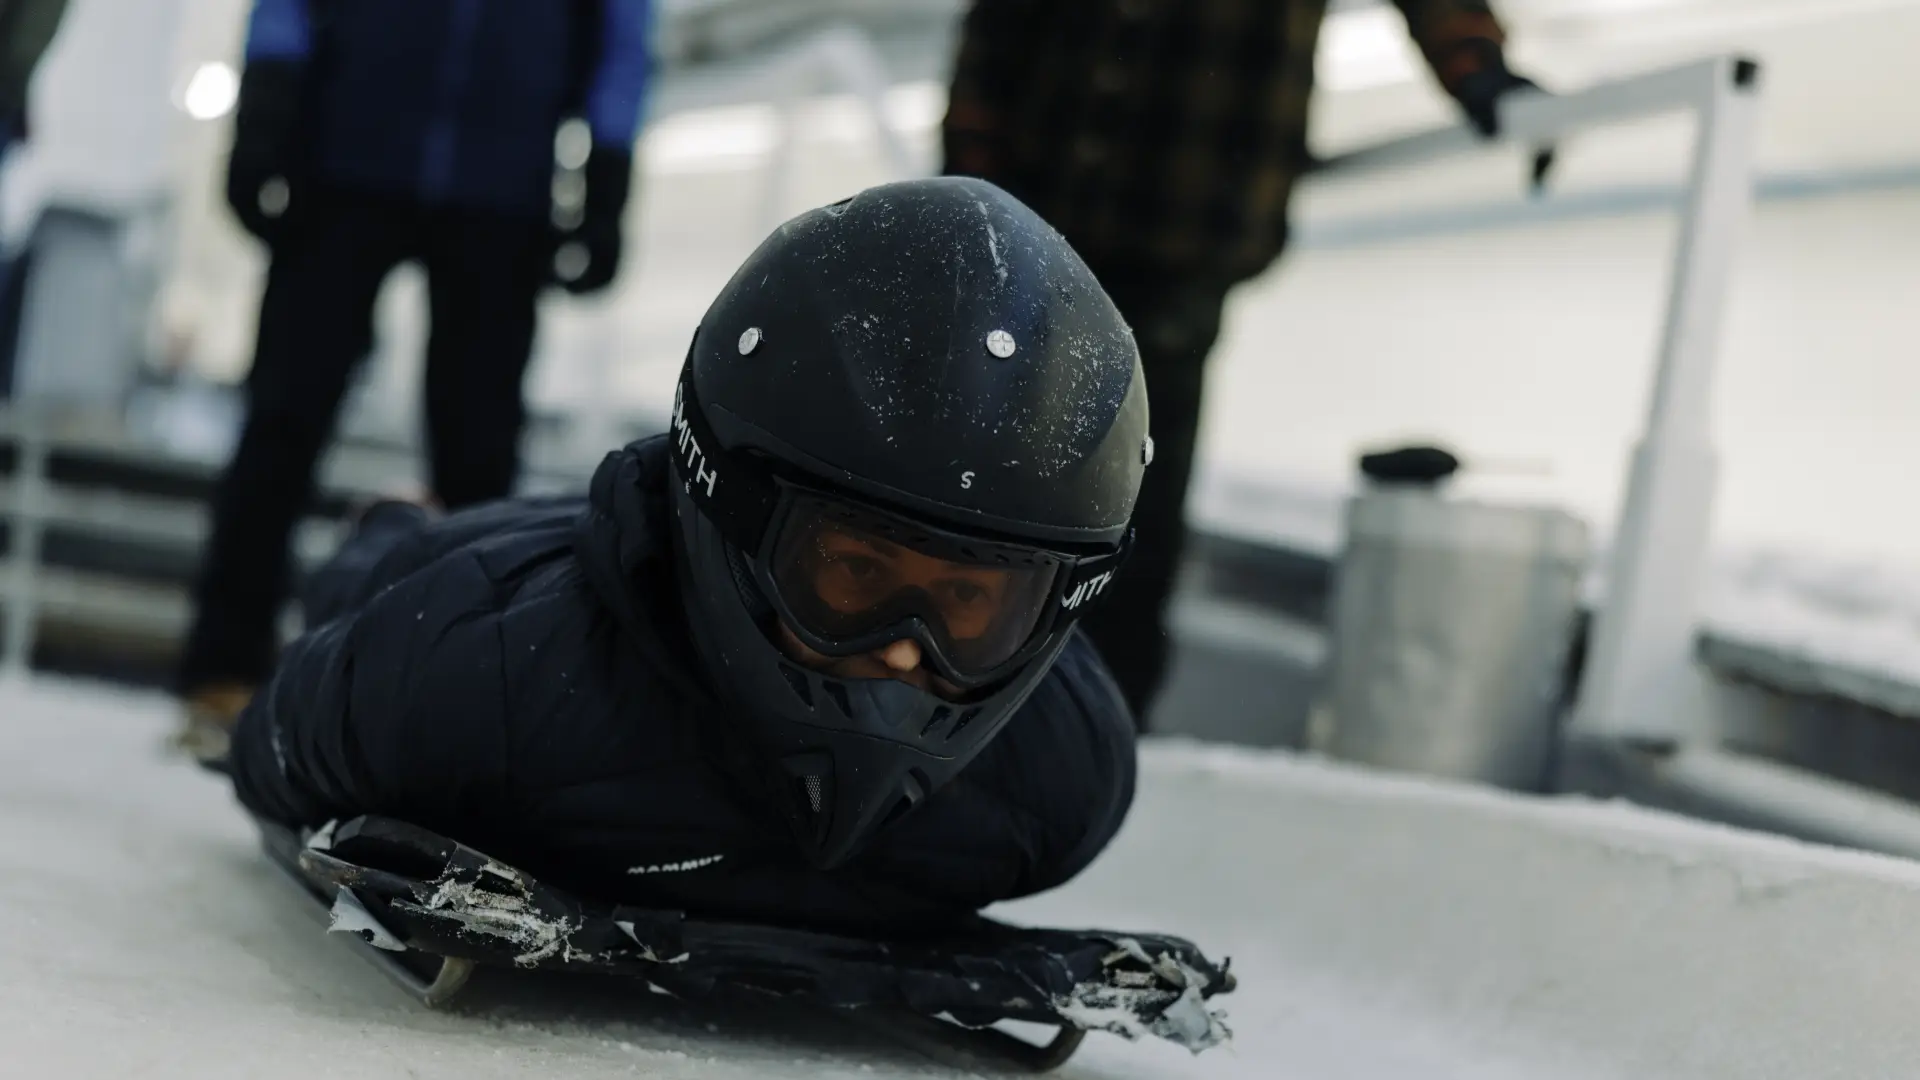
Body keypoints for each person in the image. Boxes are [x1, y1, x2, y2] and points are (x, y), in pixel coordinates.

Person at [224, 177, 1146, 929]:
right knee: (406, 559)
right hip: (513, 580)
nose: (908, 651)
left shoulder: (1063, 778)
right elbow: (276, 747)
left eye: (970, 603)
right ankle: (389, 520)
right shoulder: (474, 675)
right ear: (732, 520)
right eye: (858, 573)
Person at [943, 0, 1543, 727]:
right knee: (979, 489)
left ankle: (1085, 732)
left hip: (1178, 239)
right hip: (1028, 226)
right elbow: (998, 28)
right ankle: (959, 703)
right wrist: (970, 178)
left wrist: (1477, 68)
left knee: (1124, 518)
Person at [173, 0, 653, 752]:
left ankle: (459, 701)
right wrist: (267, 96)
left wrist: (611, 163)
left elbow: (625, 25)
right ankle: (221, 672)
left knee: (478, 461)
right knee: (281, 424)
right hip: (343, 158)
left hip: (502, 181)